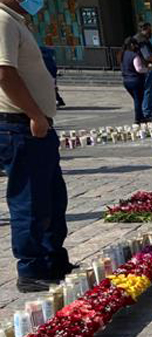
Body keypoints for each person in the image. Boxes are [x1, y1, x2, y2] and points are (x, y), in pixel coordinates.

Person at [0, 0, 73, 292]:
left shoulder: (15, 20)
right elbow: (4, 74)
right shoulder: (2, 20)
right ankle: (31, 269)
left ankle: (53, 259)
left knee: (53, 197)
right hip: (22, 126)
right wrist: (34, 114)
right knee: (30, 201)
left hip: (35, 126)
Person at [120, 37, 148, 124]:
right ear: (132, 45)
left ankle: (140, 116)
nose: (137, 47)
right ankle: (138, 118)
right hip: (135, 80)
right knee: (138, 99)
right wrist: (147, 69)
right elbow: (138, 69)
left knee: (137, 99)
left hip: (126, 80)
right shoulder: (134, 56)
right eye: (135, 45)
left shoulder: (123, 54)